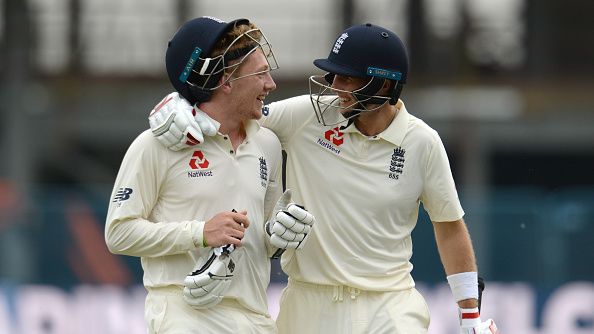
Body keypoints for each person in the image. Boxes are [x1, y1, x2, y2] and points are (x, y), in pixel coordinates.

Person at [147, 22, 499, 334]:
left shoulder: (422, 142)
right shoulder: (308, 116)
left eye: (346, 77)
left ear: (383, 83)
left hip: (389, 304)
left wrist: (470, 316)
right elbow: (234, 117)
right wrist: (184, 104)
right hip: (309, 303)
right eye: (333, 75)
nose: (333, 86)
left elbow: (449, 226)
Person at [106, 16, 314, 334]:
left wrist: (279, 234)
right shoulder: (155, 145)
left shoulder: (268, 144)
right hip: (186, 316)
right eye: (260, 74)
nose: (270, 85)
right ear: (225, 81)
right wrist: (200, 232)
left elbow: (263, 241)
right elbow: (118, 233)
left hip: (255, 317)